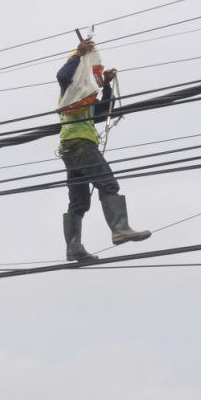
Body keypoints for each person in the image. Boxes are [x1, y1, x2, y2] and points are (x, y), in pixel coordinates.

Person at [57, 38, 151, 261]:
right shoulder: (69, 89)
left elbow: (103, 113)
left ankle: (73, 248)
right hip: (80, 144)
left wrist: (106, 84)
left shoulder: (83, 98)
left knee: (79, 202)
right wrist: (78, 55)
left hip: (71, 148)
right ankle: (119, 229)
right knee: (108, 183)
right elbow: (62, 75)